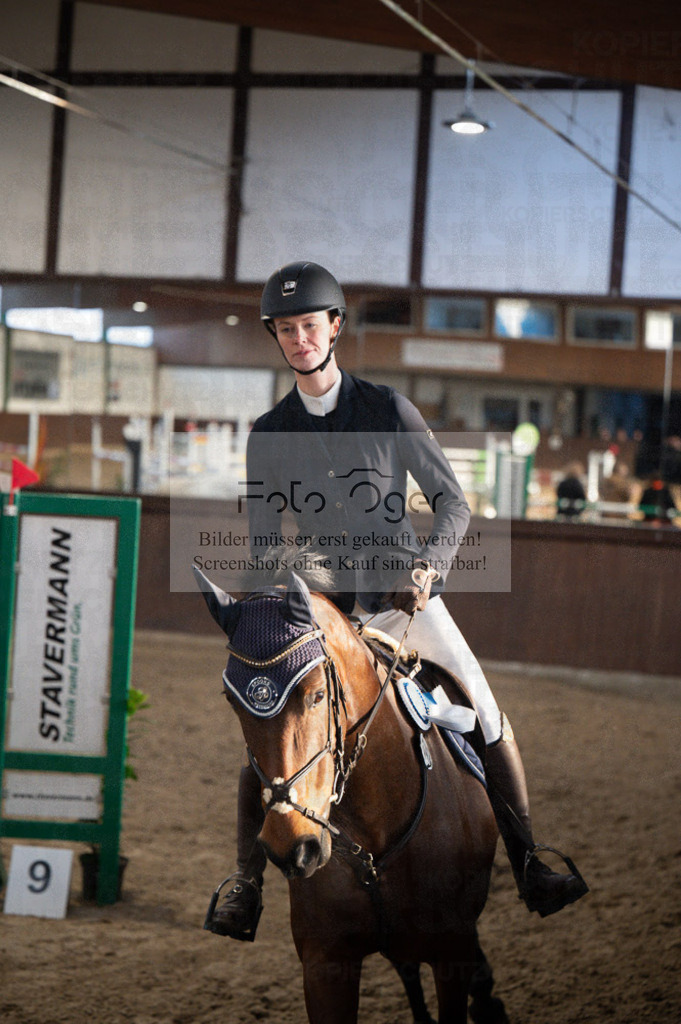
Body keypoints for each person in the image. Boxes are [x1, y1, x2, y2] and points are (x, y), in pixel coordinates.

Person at [206, 261, 588, 940]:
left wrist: (427, 571)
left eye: (308, 325)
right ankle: (244, 884)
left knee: (484, 707)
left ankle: (530, 861)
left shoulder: (387, 409)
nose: (299, 339)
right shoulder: (268, 434)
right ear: (277, 336)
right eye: (286, 329)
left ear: (334, 327)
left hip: (400, 601)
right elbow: (266, 541)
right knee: (275, 728)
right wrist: (279, 596)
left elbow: (453, 502)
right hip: (323, 614)